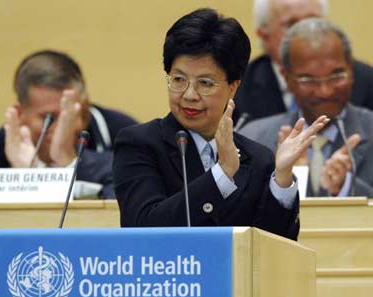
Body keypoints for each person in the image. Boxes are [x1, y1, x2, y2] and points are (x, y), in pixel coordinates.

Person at [113, 8, 329, 240]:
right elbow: (143, 228)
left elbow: (274, 249)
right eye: (178, 80)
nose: (189, 94)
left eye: (205, 83)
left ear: (233, 87)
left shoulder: (258, 159)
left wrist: (283, 179)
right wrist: (221, 174)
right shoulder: (139, 144)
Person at [241, 18, 373, 197]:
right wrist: (285, 181)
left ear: (351, 70)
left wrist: (346, 186)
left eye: (337, 75)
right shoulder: (254, 139)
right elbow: (242, 213)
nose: (325, 91)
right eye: (308, 79)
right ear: (286, 78)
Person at [0, 50, 137, 199]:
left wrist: (69, 161)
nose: (63, 128)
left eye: (72, 113)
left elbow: (131, 204)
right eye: (50, 118)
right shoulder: (13, 140)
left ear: (84, 107)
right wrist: (32, 179)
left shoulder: (124, 131)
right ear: (20, 114)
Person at [232, 0, 373, 125]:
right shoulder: (236, 89)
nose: (305, 33)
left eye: (313, 22)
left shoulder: (367, 81)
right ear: (264, 35)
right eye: (291, 24)